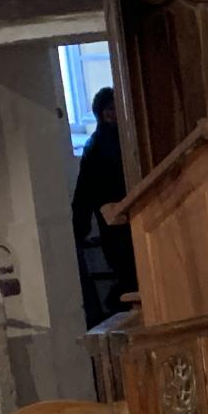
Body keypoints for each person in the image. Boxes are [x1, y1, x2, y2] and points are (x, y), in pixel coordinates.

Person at [70, 87, 136, 323]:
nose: (115, 113)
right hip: (114, 224)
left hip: (133, 217)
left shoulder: (129, 140)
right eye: (111, 109)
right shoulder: (96, 147)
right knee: (129, 275)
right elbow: (85, 192)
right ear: (103, 113)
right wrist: (80, 228)